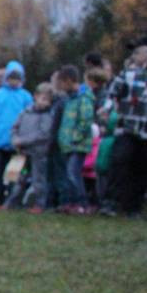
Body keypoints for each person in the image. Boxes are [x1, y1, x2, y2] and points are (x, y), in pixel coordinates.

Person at [105, 43, 147, 217]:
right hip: (128, 128)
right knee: (119, 162)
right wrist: (106, 110)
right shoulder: (130, 74)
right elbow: (112, 94)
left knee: (141, 170)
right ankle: (111, 203)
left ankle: (133, 207)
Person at [0, 60, 32, 207]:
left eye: (17, 78)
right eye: (11, 78)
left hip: (17, 144)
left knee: (15, 175)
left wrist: (24, 140)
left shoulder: (25, 97)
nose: (14, 81)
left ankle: (12, 201)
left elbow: (29, 121)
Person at [6, 83, 55, 212]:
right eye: (43, 99)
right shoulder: (25, 112)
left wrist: (22, 141)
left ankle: (39, 204)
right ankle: (11, 202)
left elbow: (43, 134)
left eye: (48, 100)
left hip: (38, 153)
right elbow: (14, 127)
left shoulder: (47, 116)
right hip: (22, 152)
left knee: (38, 179)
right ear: (36, 97)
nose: (45, 103)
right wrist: (14, 139)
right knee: (17, 177)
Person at [55, 65, 94, 213]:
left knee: (73, 173)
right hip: (67, 144)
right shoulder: (69, 99)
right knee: (68, 174)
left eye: (62, 82)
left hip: (78, 144)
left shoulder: (83, 98)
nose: (61, 86)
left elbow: (85, 120)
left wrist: (75, 138)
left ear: (70, 81)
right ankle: (70, 203)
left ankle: (82, 204)